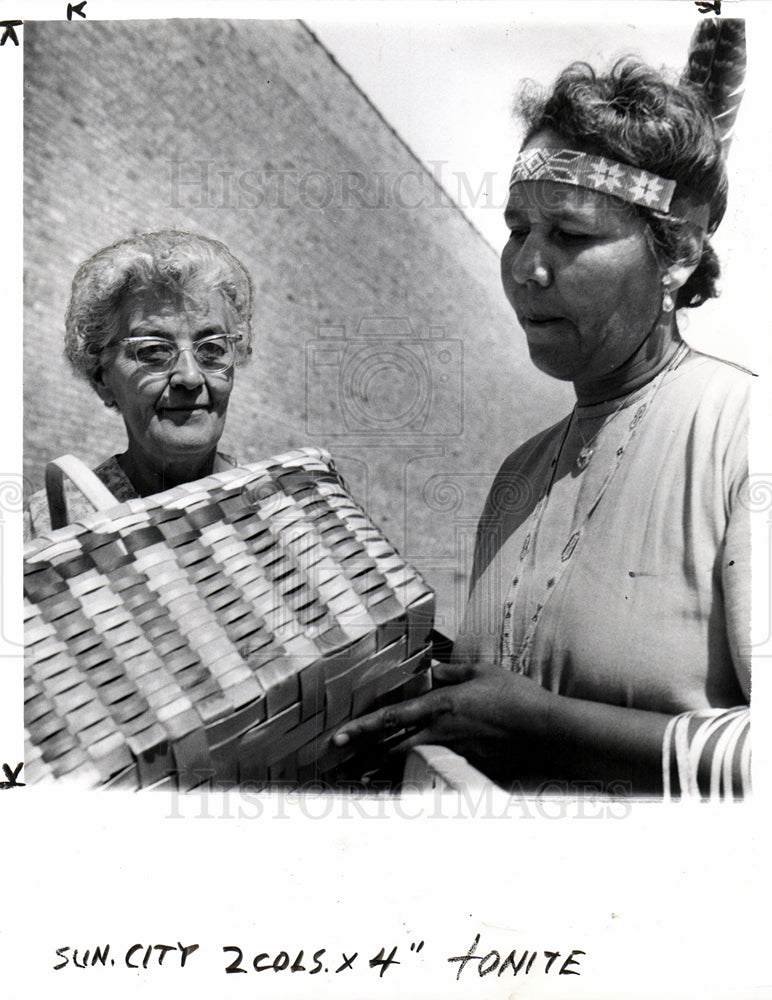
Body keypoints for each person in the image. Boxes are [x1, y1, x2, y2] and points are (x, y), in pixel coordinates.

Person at [334, 57, 752, 799]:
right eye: (518, 228)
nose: (527, 267)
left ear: (676, 255)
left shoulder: (739, 434)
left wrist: (544, 726)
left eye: (569, 234)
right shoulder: (518, 476)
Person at [25, 230, 253, 537]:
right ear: (101, 378)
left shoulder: (282, 509)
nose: (189, 376)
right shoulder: (50, 526)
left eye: (212, 348)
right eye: (153, 352)